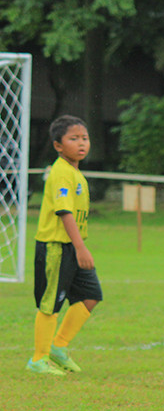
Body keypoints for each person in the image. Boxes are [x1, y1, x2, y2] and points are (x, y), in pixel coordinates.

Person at [27, 115, 101, 376]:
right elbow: (64, 212)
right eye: (74, 139)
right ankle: (38, 359)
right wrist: (81, 247)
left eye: (85, 138)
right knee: (50, 305)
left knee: (91, 295)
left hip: (72, 247)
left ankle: (58, 348)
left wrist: (78, 247)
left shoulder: (75, 172)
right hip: (56, 247)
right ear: (58, 145)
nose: (82, 143)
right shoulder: (60, 172)